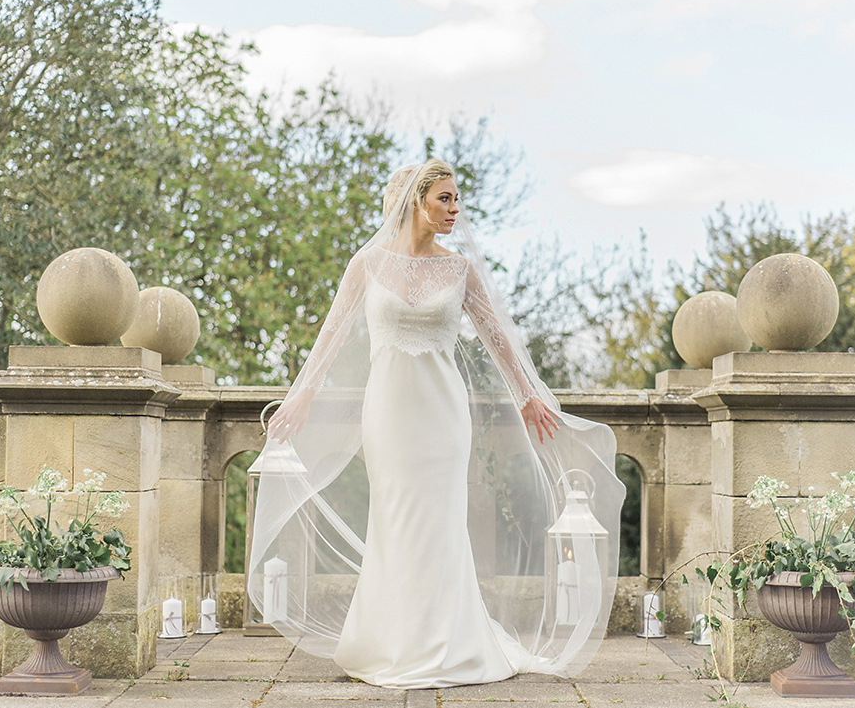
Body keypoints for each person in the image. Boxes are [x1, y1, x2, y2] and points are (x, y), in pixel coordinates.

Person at [249, 159, 624, 689]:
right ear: (415, 200)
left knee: (441, 524)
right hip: (388, 415)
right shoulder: (368, 263)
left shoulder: (458, 270)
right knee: (395, 519)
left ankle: (448, 644)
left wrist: (528, 396)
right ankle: (390, 642)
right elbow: (329, 338)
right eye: (444, 199)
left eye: (456, 200)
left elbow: (499, 339)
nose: (455, 210)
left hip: (443, 417)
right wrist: (301, 397)